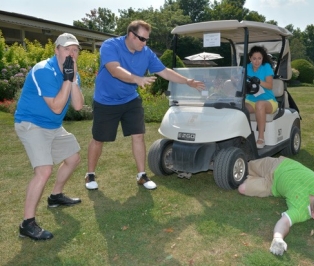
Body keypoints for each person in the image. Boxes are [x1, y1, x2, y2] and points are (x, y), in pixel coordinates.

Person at [85, 20, 205, 191]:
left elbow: (163, 71)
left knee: (138, 135)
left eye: (147, 39)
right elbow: (114, 69)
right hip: (106, 101)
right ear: (131, 35)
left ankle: (142, 175)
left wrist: (187, 81)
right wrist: (137, 79)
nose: (145, 43)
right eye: (142, 39)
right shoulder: (110, 46)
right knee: (98, 139)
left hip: (130, 99)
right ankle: (90, 174)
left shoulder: (146, 52)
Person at [14, 33, 84, 240]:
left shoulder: (72, 72)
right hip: (31, 123)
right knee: (44, 170)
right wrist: (67, 80)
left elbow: (78, 106)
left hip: (53, 126)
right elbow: (55, 107)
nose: (71, 53)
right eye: (66, 49)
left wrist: (73, 80)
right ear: (56, 50)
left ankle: (55, 196)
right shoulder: (43, 70)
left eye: (75, 50)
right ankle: (27, 224)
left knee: (73, 158)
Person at [245, 46, 278, 149]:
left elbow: (270, 85)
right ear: (250, 58)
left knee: (260, 104)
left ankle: (261, 138)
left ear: (262, 58)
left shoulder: (266, 67)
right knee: (239, 107)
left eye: (259, 58)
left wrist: (259, 81)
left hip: (268, 101)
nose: (257, 61)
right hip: (251, 100)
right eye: (254, 58)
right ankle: (243, 137)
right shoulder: (246, 67)